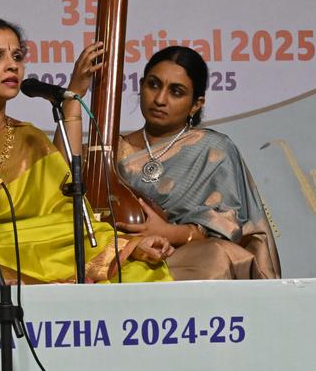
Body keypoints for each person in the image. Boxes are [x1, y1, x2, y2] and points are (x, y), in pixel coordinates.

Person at [0, 17, 173, 285]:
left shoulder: (30, 136)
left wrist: (131, 245)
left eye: (17, 57)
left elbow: (66, 211)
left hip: (45, 251)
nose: (12, 65)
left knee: (140, 271)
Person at [111, 46, 281, 280]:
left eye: (176, 92)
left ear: (196, 104)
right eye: (153, 85)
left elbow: (229, 229)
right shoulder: (111, 151)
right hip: (126, 255)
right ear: (141, 86)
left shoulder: (213, 149)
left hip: (187, 258)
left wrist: (170, 233)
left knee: (219, 256)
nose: (160, 99)